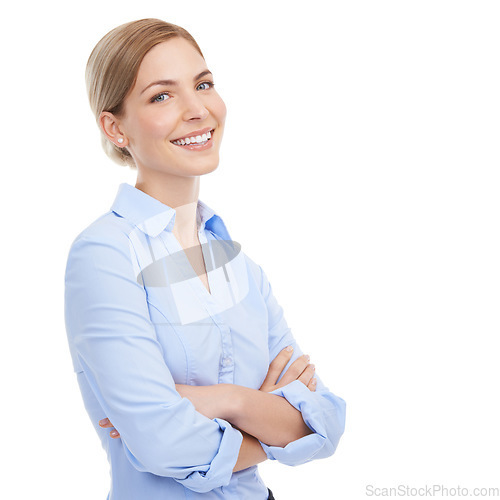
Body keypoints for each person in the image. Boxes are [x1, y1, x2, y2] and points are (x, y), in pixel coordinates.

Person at [64, 18, 346, 500]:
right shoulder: (104, 254)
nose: (198, 109)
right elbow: (166, 445)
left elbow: (325, 422)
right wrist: (270, 417)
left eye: (204, 84)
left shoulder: (239, 266)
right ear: (115, 128)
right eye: (161, 95)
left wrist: (223, 400)